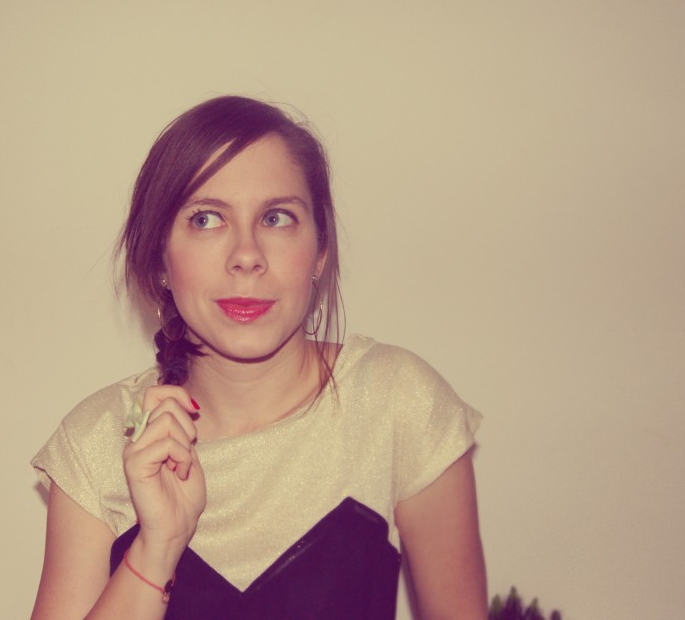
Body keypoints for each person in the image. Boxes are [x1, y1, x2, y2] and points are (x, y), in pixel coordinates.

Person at [30, 96, 486, 620]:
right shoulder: (98, 441)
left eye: (275, 217)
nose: (246, 255)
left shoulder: (398, 403)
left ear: (320, 251)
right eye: (206, 219)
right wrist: (157, 548)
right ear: (159, 259)